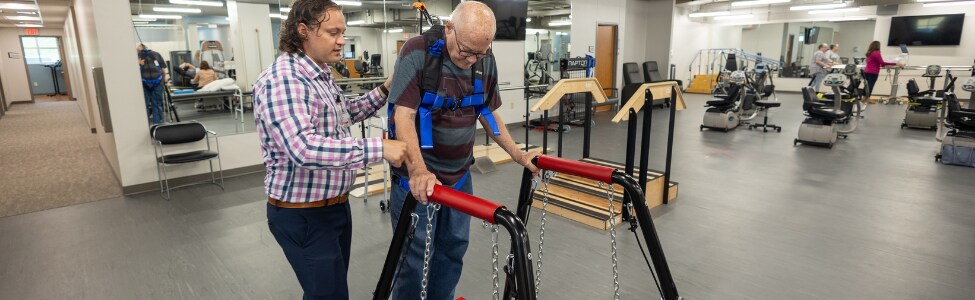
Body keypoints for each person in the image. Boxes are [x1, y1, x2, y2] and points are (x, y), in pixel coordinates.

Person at [252, 0, 407, 298]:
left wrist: (386, 88)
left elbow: (346, 112)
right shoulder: (284, 80)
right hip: (303, 216)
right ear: (303, 31)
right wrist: (380, 148)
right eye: (333, 32)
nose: (341, 40)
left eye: (343, 32)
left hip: (334, 207)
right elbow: (303, 148)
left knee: (329, 292)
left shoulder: (320, 74)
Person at [385, 2, 539, 299]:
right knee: (411, 262)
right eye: (466, 50)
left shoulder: (484, 59)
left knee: (452, 252)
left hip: (458, 179)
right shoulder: (417, 52)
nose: (472, 59)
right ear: (449, 29)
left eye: (480, 52)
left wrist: (520, 156)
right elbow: (402, 115)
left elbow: (488, 113)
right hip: (416, 181)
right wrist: (418, 171)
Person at [137, 43, 168, 124]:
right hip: (157, 82)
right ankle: (158, 126)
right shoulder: (156, 54)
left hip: (143, 83)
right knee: (157, 105)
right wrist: (164, 80)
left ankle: (145, 126)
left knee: (144, 106)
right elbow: (163, 70)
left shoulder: (136, 56)